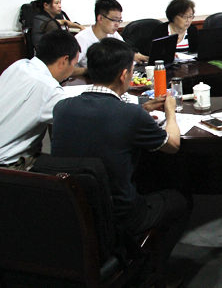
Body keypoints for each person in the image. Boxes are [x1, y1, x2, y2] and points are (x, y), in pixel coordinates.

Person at [51, 38, 190, 281]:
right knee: (181, 200)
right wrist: (170, 113)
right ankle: (148, 271)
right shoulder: (129, 114)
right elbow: (173, 145)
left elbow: (102, 124)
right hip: (120, 215)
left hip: (72, 209)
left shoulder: (62, 108)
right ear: (124, 75)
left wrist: (143, 111)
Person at [0, 30, 79, 170]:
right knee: (80, 169)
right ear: (64, 60)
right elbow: (79, 121)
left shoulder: (19, 65)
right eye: (74, 64)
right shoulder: (50, 90)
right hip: (8, 166)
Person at [74, 0, 148, 74]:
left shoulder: (113, 34)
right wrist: (90, 70)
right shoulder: (81, 39)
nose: (117, 24)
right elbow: (67, 69)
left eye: (119, 20)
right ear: (100, 18)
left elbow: (126, 51)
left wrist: (134, 55)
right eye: (114, 20)